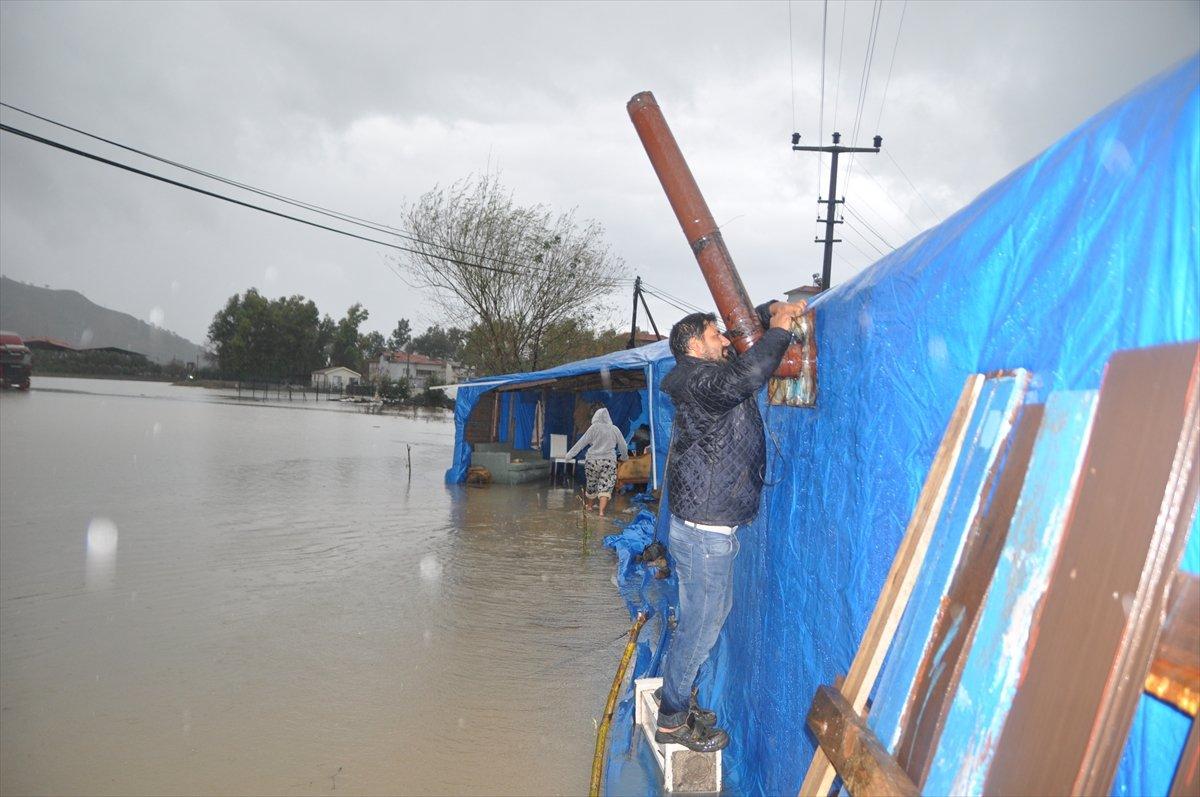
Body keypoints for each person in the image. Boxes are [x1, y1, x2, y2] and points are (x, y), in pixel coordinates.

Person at [654, 299, 807, 752]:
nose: (725, 339)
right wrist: (779, 330)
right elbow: (747, 375)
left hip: (704, 527)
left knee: (702, 620)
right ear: (694, 346)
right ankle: (671, 719)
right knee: (702, 625)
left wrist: (765, 311)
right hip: (704, 533)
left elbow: (740, 361)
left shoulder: (700, 377)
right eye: (715, 334)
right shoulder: (701, 380)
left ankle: (678, 697)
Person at [564, 407, 629, 516]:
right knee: (606, 486)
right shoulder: (614, 429)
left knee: (591, 484)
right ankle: (601, 512)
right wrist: (624, 456)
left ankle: (589, 507)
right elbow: (623, 445)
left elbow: (581, 443)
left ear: (596, 417)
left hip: (592, 461)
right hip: (608, 461)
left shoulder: (593, 428)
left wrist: (569, 455)